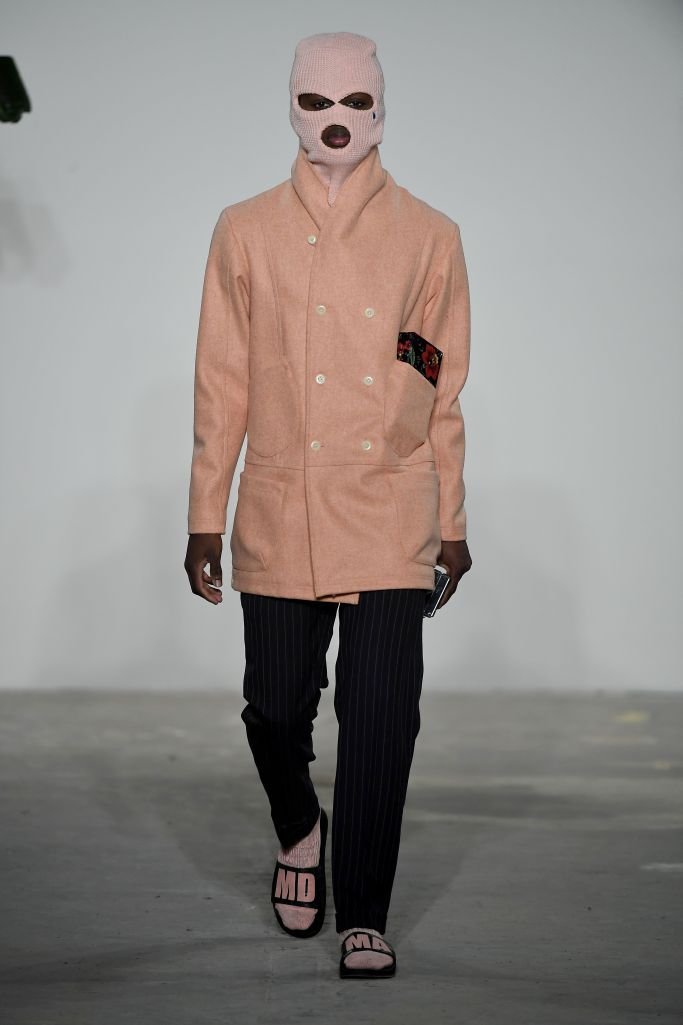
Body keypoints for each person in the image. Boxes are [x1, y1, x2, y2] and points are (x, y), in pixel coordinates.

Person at [184, 30, 472, 979]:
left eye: (354, 102)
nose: (336, 119)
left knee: (381, 717)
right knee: (273, 707)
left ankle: (366, 912)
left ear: (381, 112)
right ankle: (297, 825)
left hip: (388, 503)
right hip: (280, 500)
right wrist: (203, 513)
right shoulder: (245, 228)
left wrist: (452, 522)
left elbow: (439, 384)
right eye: (316, 102)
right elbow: (221, 381)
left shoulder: (429, 234)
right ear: (292, 109)